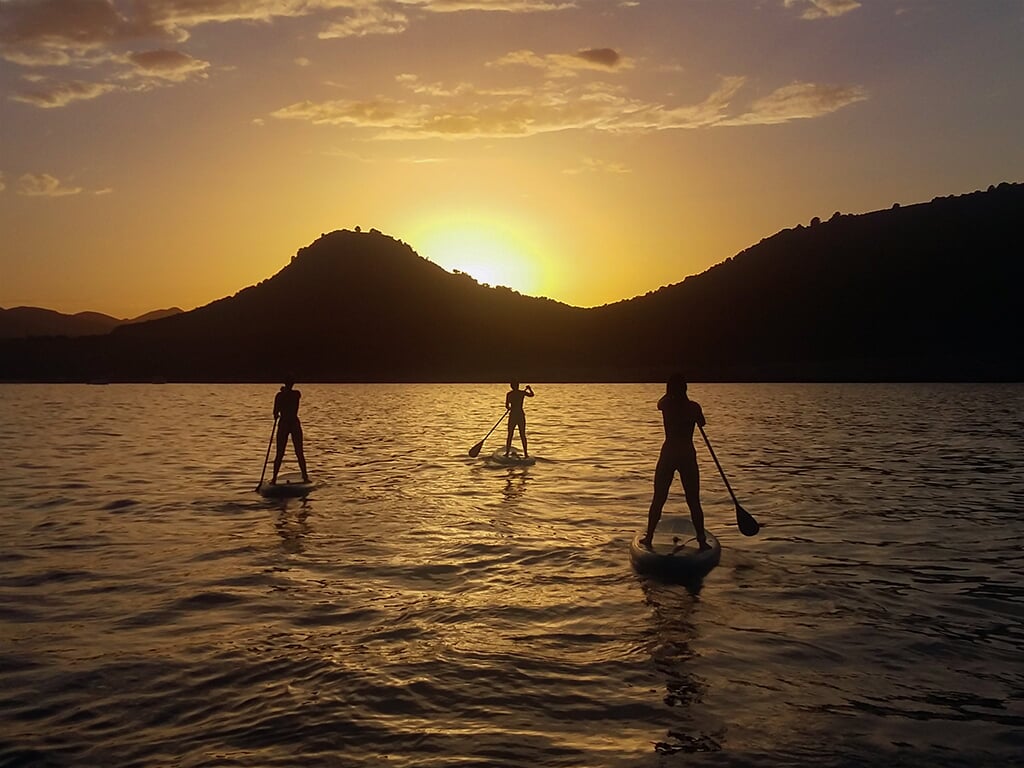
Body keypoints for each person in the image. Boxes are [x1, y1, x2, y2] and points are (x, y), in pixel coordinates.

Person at [641, 373, 709, 551]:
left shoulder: (666, 404)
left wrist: (669, 392)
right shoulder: (694, 407)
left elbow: (659, 403)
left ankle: (649, 538)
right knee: (693, 500)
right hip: (687, 454)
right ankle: (702, 540)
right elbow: (702, 423)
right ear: (686, 388)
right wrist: (693, 416)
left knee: (659, 498)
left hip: (669, 454)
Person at [271, 376, 309, 484]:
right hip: (288, 423)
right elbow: (275, 412)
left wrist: (283, 392)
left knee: (297, 451)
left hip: (290, 423)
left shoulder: (293, 394)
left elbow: (275, 412)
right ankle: (274, 478)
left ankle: (304, 477)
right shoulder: (292, 394)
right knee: (282, 453)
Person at [504, 381, 534, 457]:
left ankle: (507, 453)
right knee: (522, 435)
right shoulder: (521, 393)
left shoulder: (509, 394)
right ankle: (526, 454)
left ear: (511, 386)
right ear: (517, 386)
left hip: (513, 415)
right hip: (520, 415)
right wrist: (529, 389)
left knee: (510, 434)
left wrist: (510, 408)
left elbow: (507, 406)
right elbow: (532, 395)